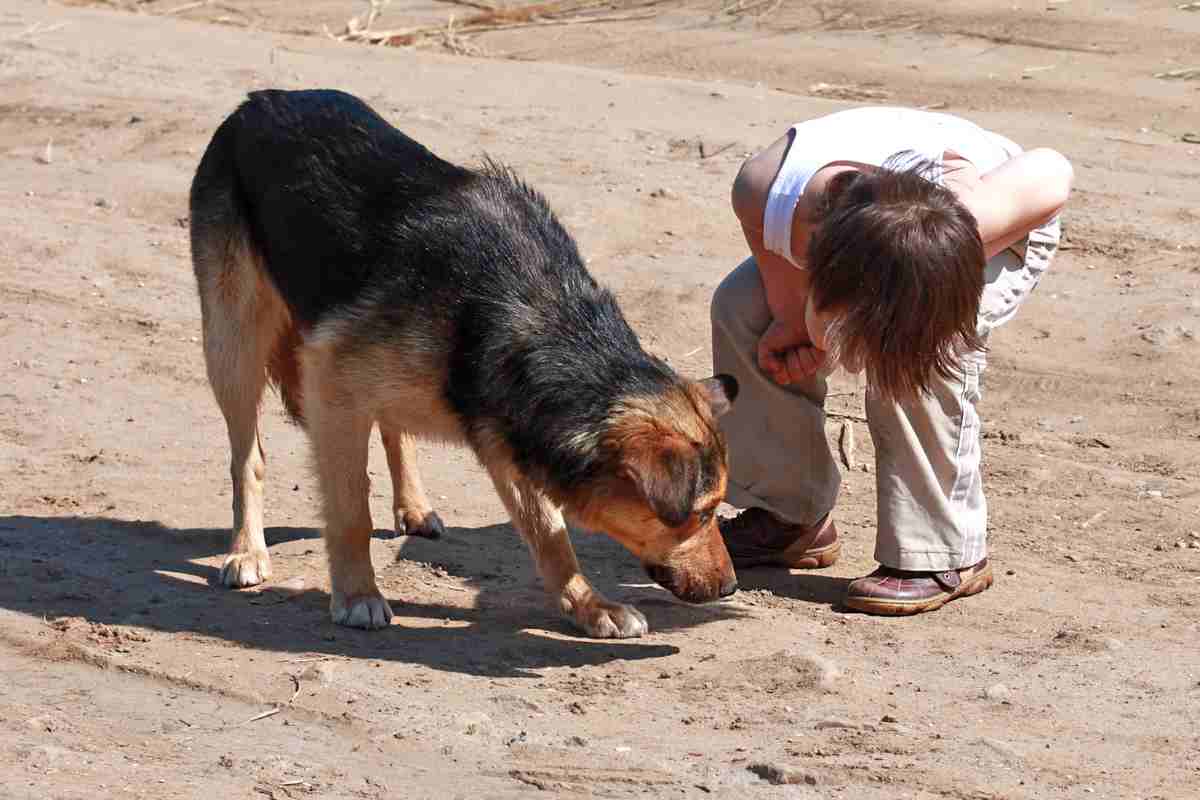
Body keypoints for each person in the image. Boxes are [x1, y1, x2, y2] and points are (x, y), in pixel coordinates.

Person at [711, 106, 1073, 615]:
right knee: (741, 309)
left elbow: (1053, 169)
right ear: (820, 266)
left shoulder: (972, 212)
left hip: (975, 237)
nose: (852, 366)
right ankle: (788, 513)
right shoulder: (763, 188)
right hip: (867, 239)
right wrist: (794, 320)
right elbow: (785, 292)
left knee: (920, 349)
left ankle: (944, 552)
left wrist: (854, 330)